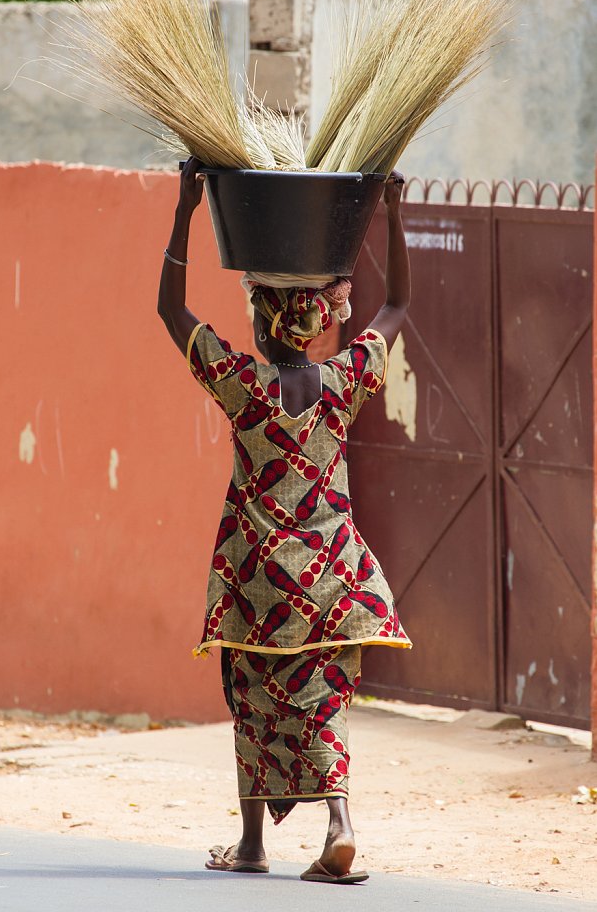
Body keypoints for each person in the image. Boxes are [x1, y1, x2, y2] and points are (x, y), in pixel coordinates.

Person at [157, 156, 412, 885]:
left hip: (257, 572)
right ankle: (337, 821)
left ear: (262, 321)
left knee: (251, 693)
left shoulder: (242, 385)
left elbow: (170, 312)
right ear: (312, 322)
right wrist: (392, 210)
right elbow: (395, 309)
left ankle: (251, 843)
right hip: (332, 571)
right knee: (316, 698)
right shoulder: (343, 381)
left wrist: (184, 209)